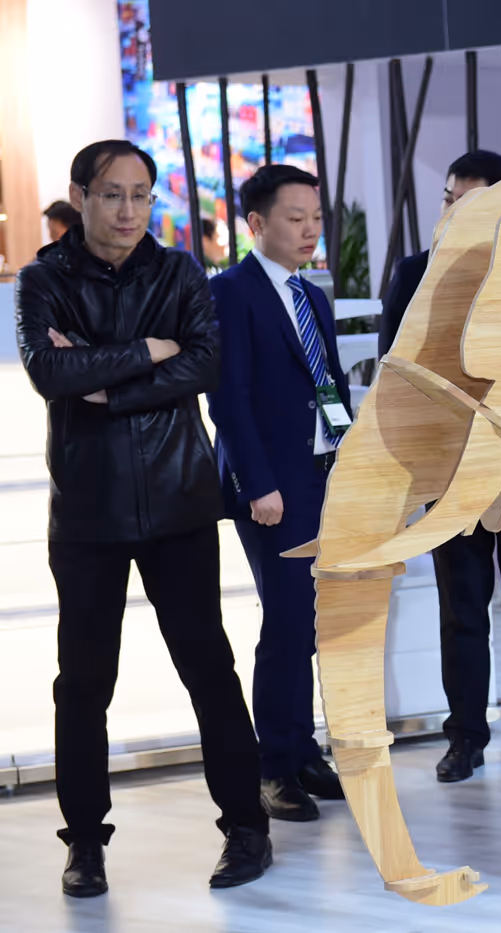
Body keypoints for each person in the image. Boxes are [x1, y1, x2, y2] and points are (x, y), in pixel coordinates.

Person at [15, 140, 270, 897]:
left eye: (141, 195)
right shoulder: (42, 279)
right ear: (82, 196)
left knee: (209, 669)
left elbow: (205, 364)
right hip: (87, 509)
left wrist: (107, 383)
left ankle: (246, 827)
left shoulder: (179, 270)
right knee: (85, 682)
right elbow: (48, 372)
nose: (129, 211)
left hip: (178, 501)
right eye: (113, 194)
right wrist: (149, 350)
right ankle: (85, 842)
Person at [379, 150, 501, 783]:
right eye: (447, 199)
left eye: (469, 201)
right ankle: (464, 737)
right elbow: (396, 373)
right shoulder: (413, 274)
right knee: (461, 609)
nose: (453, 211)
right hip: (449, 472)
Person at [208, 165, 352, 822]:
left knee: (313, 623)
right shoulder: (231, 292)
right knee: (288, 620)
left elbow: (329, 387)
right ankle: (273, 767)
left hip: (322, 475)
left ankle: (303, 750)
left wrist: (349, 451)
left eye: (316, 218)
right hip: (273, 487)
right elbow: (228, 398)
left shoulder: (311, 294)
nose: (310, 230)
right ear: (257, 223)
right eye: (296, 218)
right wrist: (257, 483)